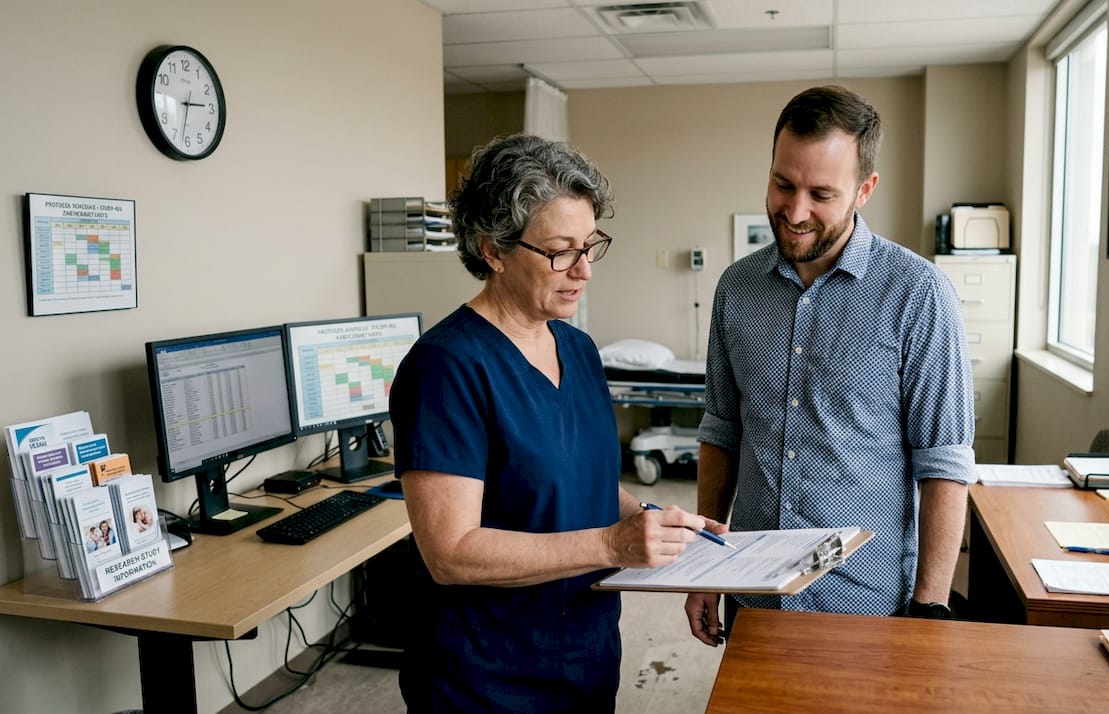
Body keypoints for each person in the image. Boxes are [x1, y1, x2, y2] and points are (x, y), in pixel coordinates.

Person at [389, 133, 709, 712]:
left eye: (591, 246)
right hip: (487, 675)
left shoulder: (579, 350)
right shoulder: (445, 367)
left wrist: (652, 521)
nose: (584, 270)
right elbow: (450, 551)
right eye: (561, 251)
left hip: (585, 649)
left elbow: (579, 483)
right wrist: (612, 544)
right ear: (494, 249)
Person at [685, 85, 976, 646]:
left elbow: (943, 463)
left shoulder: (918, 292)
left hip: (861, 604)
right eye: (782, 184)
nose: (795, 212)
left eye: (821, 193)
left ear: (864, 189)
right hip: (754, 591)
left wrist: (931, 608)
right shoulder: (736, 289)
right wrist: (706, 566)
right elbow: (721, 432)